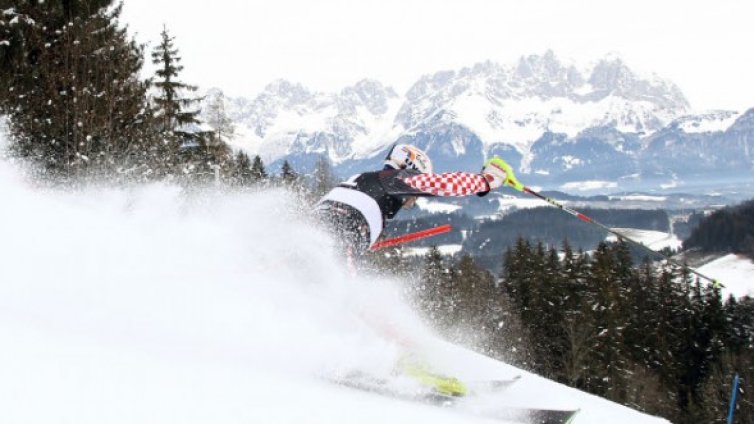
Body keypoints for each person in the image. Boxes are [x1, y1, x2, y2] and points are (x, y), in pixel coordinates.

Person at [314, 143, 512, 257]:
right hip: (342, 234)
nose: (415, 200)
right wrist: (485, 182)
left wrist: (368, 236)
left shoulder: (361, 178)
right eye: (416, 194)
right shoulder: (396, 179)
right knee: (336, 291)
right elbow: (445, 184)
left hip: (314, 226)